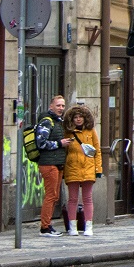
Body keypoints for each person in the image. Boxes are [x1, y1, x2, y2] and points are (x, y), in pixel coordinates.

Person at [34, 95, 73, 237]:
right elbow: (41, 143)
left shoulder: (58, 122)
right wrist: (59, 143)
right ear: (51, 106)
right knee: (51, 196)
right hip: (49, 163)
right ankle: (45, 227)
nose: (61, 108)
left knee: (54, 196)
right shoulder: (46, 122)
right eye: (58, 105)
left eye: (63, 106)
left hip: (57, 163)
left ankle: (48, 225)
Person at [63, 104, 103, 236]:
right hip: (72, 167)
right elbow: (64, 151)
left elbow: (97, 150)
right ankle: (72, 226)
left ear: (85, 118)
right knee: (72, 199)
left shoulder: (91, 132)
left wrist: (98, 169)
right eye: (76, 117)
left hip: (88, 168)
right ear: (72, 119)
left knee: (87, 198)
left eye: (81, 117)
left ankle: (88, 226)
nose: (78, 119)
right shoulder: (68, 132)